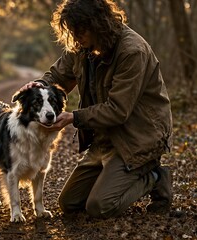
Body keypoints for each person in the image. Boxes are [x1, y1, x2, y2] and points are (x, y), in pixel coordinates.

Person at [19, 0, 173, 218]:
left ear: (98, 24)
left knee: (100, 207)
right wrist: (39, 85)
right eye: (72, 31)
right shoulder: (82, 47)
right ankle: (113, 177)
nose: (75, 36)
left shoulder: (132, 51)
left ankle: (154, 176)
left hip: (137, 140)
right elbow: (58, 76)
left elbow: (118, 110)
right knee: (69, 203)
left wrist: (74, 117)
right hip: (104, 138)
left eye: (80, 31)